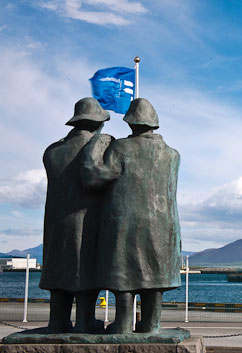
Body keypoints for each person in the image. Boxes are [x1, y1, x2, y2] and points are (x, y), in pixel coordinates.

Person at [81, 98, 182, 334]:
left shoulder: (122, 148)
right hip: (163, 227)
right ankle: (151, 325)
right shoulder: (173, 155)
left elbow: (96, 178)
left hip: (125, 222)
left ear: (131, 123)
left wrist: (96, 145)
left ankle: (124, 325)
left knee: (124, 274)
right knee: (155, 278)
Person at [39, 97, 111, 333]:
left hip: (56, 223)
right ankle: (84, 322)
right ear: (97, 123)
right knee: (85, 271)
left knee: (58, 271)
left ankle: (57, 322)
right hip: (88, 219)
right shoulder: (102, 147)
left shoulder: (52, 151)